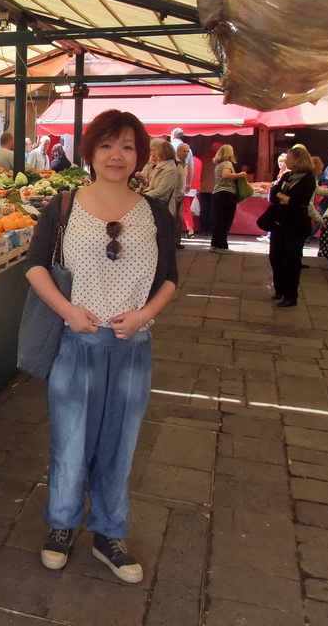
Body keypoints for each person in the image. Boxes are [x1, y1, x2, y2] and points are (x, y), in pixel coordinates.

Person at [23, 108, 177, 584]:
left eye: (128, 146)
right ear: (89, 151)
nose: (117, 155)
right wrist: (68, 310)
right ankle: (63, 524)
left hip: (132, 348)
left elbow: (169, 278)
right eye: (108, 145)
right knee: (70, 442)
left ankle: (109, 531)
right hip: (77, 344)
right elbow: (34, 266)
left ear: (140, 156)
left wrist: (144, 315)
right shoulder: (64, 205)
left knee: (120, 444)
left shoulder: (153, 212)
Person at [266, 144, 317, 306]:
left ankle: (290, 295)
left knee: (291, 259)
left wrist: (286, 197)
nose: (286, 161)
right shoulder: (287, 176)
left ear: (297, 159)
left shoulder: (308, 178)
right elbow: (274, 195)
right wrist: (283, 196)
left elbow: (300, 201)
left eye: (288, 158)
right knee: (275, 256)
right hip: (280, 222)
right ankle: (279, 288)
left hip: (296, 225)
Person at [142, 139, 184, 248]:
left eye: (155, 151)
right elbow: (152, 185)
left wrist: (142, 196)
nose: (152, 153)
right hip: (154, 203)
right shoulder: (159, 166)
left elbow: (161, 191)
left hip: (162, 205)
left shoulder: (170, 169)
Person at [210, 144, 247, 254]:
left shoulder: (218, 164)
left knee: (218, 221)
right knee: (225, 221)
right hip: (226, 194)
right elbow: (226, 175)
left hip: (217, 193)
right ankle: (222, 246)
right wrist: (240, 174)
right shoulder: (227, 163)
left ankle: (214, 245)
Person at [198, 141, 221, 238]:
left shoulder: (203, 158)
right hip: (215, 188)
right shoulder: (220, 160)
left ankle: (203, 229)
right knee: (213, 209)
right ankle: (211, 229)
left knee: (204, 208)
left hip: (203, 187)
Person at [176, 143, 198, 239]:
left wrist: (188, 184)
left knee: (185, 210)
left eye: (187, 151)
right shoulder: (198, 162)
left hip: (186, 188)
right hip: (193, 187)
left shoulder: (186, 163)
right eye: (184, 151)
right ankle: (189, 230)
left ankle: (190, 230)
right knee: (185, 210)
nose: (186, 153)